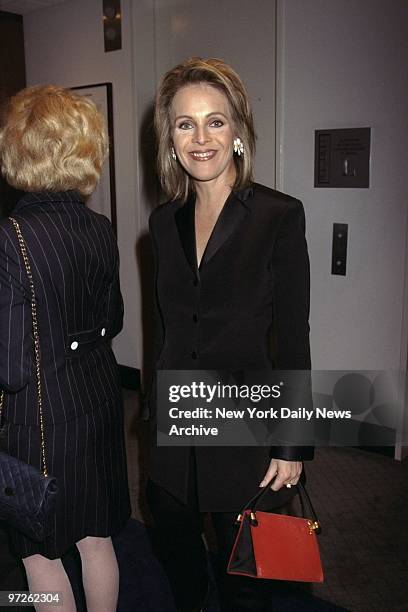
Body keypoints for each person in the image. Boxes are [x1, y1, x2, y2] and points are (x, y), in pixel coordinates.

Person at [148, 57, 313, 612]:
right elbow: (165, 330)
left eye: (215, 121)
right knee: (180, 562)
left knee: (248, 581)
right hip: (177, 426)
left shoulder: (278, 217)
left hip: (246, 429)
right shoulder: (163, 222)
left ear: (238, 131)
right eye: (184, 123)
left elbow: (293, 339)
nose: (200, 138)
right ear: (169, 138)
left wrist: (290, 445)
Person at [0, 85, 130, 612]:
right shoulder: (100, 227)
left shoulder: (9, 237)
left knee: (41, 559)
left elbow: (8, 368)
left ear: (17, 150)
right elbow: (114, 320)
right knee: (96, 540)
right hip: (99, 406)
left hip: (39, 426)